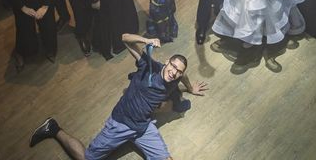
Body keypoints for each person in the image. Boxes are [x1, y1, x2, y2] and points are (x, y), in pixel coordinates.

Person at [29, 34, 208, 159]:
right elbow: (124, 38)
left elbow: (183, 76)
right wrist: (146, 40)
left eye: (178, 71)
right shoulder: (148, 65)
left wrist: (190, 88)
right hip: (121, 122)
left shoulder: (174, 79)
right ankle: (53, 128)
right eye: (173, 67)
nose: (174, 73)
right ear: (167, 61)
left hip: (143, 125)